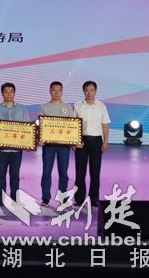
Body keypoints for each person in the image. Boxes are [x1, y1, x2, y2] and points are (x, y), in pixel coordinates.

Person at [0, 82, 32, 207]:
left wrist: (28, 143)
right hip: (2, 149)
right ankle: (1, 199)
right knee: (1, 174)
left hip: (16, 149)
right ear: (2, 93)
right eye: (6, 92)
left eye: (11, 92)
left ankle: (14, 199)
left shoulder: (22, 109)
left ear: (14, 93)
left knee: (15, 175)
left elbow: (27, 127)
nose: (9, 94)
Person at [73, 80, 110, 208]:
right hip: (81, 141)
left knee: (95, 171)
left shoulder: (101, 106)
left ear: (95, 91)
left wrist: (105, 141)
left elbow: (105, 125)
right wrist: (74, 142)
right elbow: (73, 125)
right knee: (80, 172)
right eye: (87, 90)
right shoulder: (77, 105)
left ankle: (94, 199)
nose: (89, 93)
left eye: (92, 90)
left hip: (96, 141)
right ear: (83, 91)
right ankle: (79, 199)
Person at [39, 81, 75, 207]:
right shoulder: (44, 107)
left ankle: (63, 197)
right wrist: (41, 138)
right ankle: (45, 198)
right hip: (48, 145)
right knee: (46, 171)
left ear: (62, 92)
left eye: (59, 90)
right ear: (50, 91)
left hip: (64, 146)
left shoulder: (68, 107)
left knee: (63, 172)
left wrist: (74, 141)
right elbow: (41, 125)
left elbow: (73, 126)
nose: (56, 93)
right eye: (54, 90)